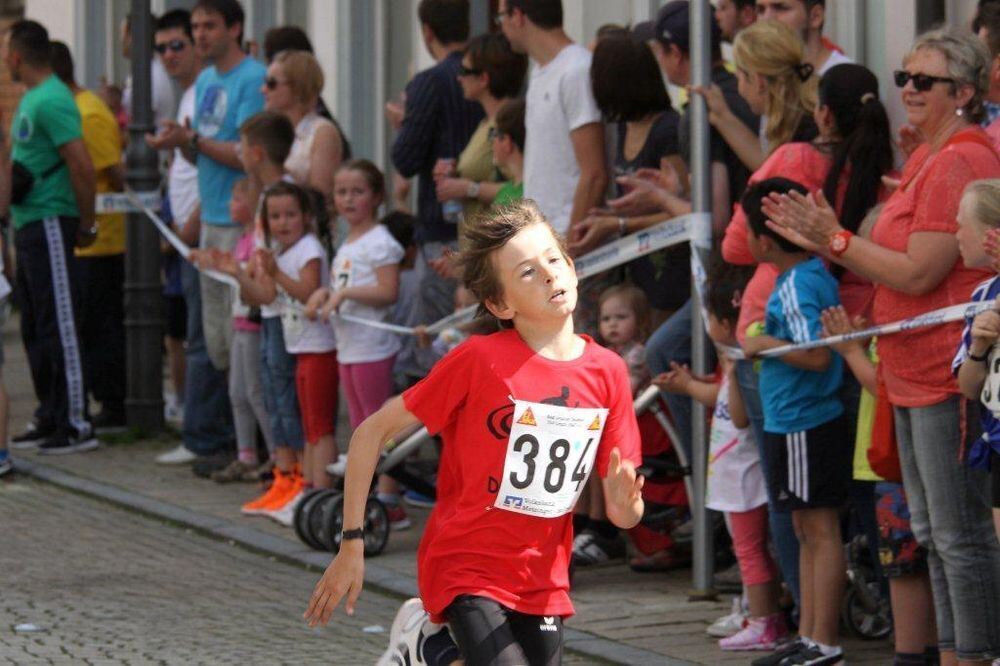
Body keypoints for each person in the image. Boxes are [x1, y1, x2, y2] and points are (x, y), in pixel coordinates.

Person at [305, 201, 643, 666]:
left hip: (542, 572)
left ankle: (427, 649)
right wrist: (352, 543)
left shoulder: (609, 372)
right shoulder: (479, 360)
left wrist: (625, 504)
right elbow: (369, 434)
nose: (547, 275)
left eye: (553, 259)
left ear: (572, 268)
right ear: (500, 304)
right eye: (527, 272)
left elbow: (625, 515)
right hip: (466, 562)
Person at [765, 28, 1000, 665]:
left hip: (945, 372)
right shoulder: (932, 154)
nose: (908, 89)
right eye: (904, 78)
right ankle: (955, 653)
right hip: (913, 370)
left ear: (965, 92)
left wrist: (834, 240)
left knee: (957, 536)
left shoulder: (959, 158)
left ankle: (972, 656)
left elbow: (921, 271)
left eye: (924, 81)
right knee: (931, 533)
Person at [741, 177, 848, 666]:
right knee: (806, 528)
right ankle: (809, 635)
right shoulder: (798, 278)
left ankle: (823, 641)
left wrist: (763, 344)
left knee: (820, 530)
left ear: (765, 241)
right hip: (792, 422)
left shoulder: (801, 281)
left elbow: (817, 356)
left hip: (806, 420)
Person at [656, 262, 785, 652]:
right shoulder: (734, 364)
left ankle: (765, 622)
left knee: (749, 548)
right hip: (733, 473)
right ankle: (754, 612)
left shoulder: (740, 363)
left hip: (743, 475)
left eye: (709, 317)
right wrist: (691, 385)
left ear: (726, 324)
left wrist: (730, 369)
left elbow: (740, 415)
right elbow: (722, 402)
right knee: (748, 546)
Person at [822, 300, 940, 666]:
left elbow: (884, 386)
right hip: (882, 461)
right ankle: (922, 650)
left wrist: (850, 350)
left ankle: (914, 654)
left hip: (897, 465)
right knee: (899, 563)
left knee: (906, 564)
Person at [155, 0, 266, 378]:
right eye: (196, 26)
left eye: (209, 26)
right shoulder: (205, 80)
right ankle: (223, 432)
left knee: (241, 337)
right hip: (210, 220)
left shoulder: (253, 78)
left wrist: (195, 140)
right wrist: (180, 142)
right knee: (212, 337)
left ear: (234, 29)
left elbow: (251, 155)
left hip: (240, 220)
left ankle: (247, 436)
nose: (199, 34)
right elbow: (198, 155)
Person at [2, 20, 98, 455]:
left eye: (6, 51)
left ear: (18, 56)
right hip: (29, 224)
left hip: (51, 222)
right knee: (37, 326)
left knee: (60, 324)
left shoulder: (53, 99)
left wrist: (86, 220)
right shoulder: (32, 100)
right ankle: (49, 413)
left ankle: (76, 423)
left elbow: (80, 164)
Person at [306, 160, 408, 529]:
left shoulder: (380, 242)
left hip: (372, 346)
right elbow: (342, 287)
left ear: (377, 197)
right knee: (360, 424)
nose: (349, 199)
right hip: (348, 346)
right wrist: (324, 294)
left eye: (358, 192)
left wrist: (344, 292)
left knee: (379, 425)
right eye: (342, 192)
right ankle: (366, 495)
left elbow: (387, 291)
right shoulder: (348, 241)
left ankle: (389, 496)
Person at [390, 0, 483, 386]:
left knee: (445, 344)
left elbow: (406, 158)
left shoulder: (429, 82)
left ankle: (447, 435)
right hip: (484, 224)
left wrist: (403, 123)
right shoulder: (486, 72)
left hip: (441, 229)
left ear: (427, 31)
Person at [572, 35, 686, 325]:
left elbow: (681, 211)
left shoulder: (667, 130)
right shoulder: (624, 126)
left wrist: (616, 224)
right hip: (637, 271)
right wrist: (608, 216)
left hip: (670, 274)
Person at [49, 41, 127, 434]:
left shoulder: (88, 115)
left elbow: (112, 173)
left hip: (103, 240)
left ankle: (114, 403)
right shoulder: (74, 110)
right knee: (90, 323)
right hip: (87, 241)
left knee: (103, 325)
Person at [499, 0, 607, 238]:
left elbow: (594, 173)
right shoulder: (539, 71)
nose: (502, 28)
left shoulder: (576, 70)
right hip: (543, 238)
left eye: (501, 18)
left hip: (567, 242)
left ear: (517, 16)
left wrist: (569, 246)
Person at [194, 179, 276, 484]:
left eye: (236, 199)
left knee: (256, 392)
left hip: (253, 323)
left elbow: (247, 275)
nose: (230, 204)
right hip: (238, 322)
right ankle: (246, 455)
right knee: (237, 392)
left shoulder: (256, 242)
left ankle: (276, 456)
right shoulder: (242, 240)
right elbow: (232, 271)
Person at [433, 33, 527, 228]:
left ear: (484, 78)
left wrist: (469, 189)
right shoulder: (486, 123)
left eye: (464, 71)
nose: (459, 78)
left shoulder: (508, 126)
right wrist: (454, 176)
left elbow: (523, 187)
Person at [954, 179, 1000, 544]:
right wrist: (980, 348)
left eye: (961, 225)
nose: (955, 234)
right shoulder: (982, 295)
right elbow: (968, 386)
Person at [262, 49, 345, 220]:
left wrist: (276, 169)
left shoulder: (322, 132)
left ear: (297, 87)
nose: (263, 89)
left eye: (271, 83)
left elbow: (320, 198)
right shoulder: (273, 131)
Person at [754, 0, 852, 75]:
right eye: (761, 10)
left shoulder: (846, 80)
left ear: (815, 16)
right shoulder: (755, 77)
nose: (767, 19)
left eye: (781, 8)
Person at [120, 12, 177, 132]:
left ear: (133, 37)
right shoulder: (144, 71)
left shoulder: (149, 75)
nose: (121, 40)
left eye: (123, 35)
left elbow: (137, 126)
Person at [491, 98, 526, 208]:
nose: (491, 141)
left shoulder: (529, 192)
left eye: (494, 134)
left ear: (506, 142)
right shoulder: (505, 191)